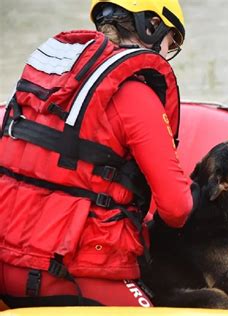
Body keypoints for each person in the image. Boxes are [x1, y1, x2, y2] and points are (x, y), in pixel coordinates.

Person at [0, 0, 195, 307]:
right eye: (170, 43)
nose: (167, 56)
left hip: (6, 269)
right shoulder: (135, 96)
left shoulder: (48, 82)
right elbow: (176, 208)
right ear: (152, 26)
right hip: (73, 276)